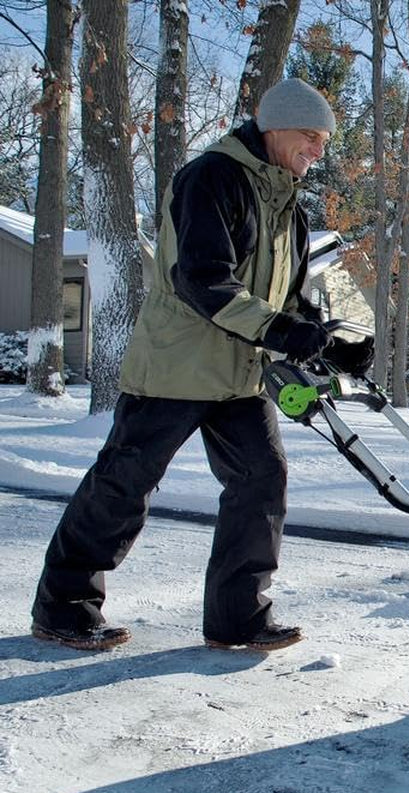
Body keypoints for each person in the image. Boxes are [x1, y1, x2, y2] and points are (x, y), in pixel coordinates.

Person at [31, 78, 373, 652]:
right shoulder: (212, 177)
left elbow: (284, 292)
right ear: (274, 127)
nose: (318, 151)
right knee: (124, 483)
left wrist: (331, 338)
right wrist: (282, 331)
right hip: (177, 366)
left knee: (261, 479)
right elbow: (203, 279)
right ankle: (63, 607)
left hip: (240, 373)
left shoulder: (288, 204)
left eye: (324, 141)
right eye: (310, 137)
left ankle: (238, 618)